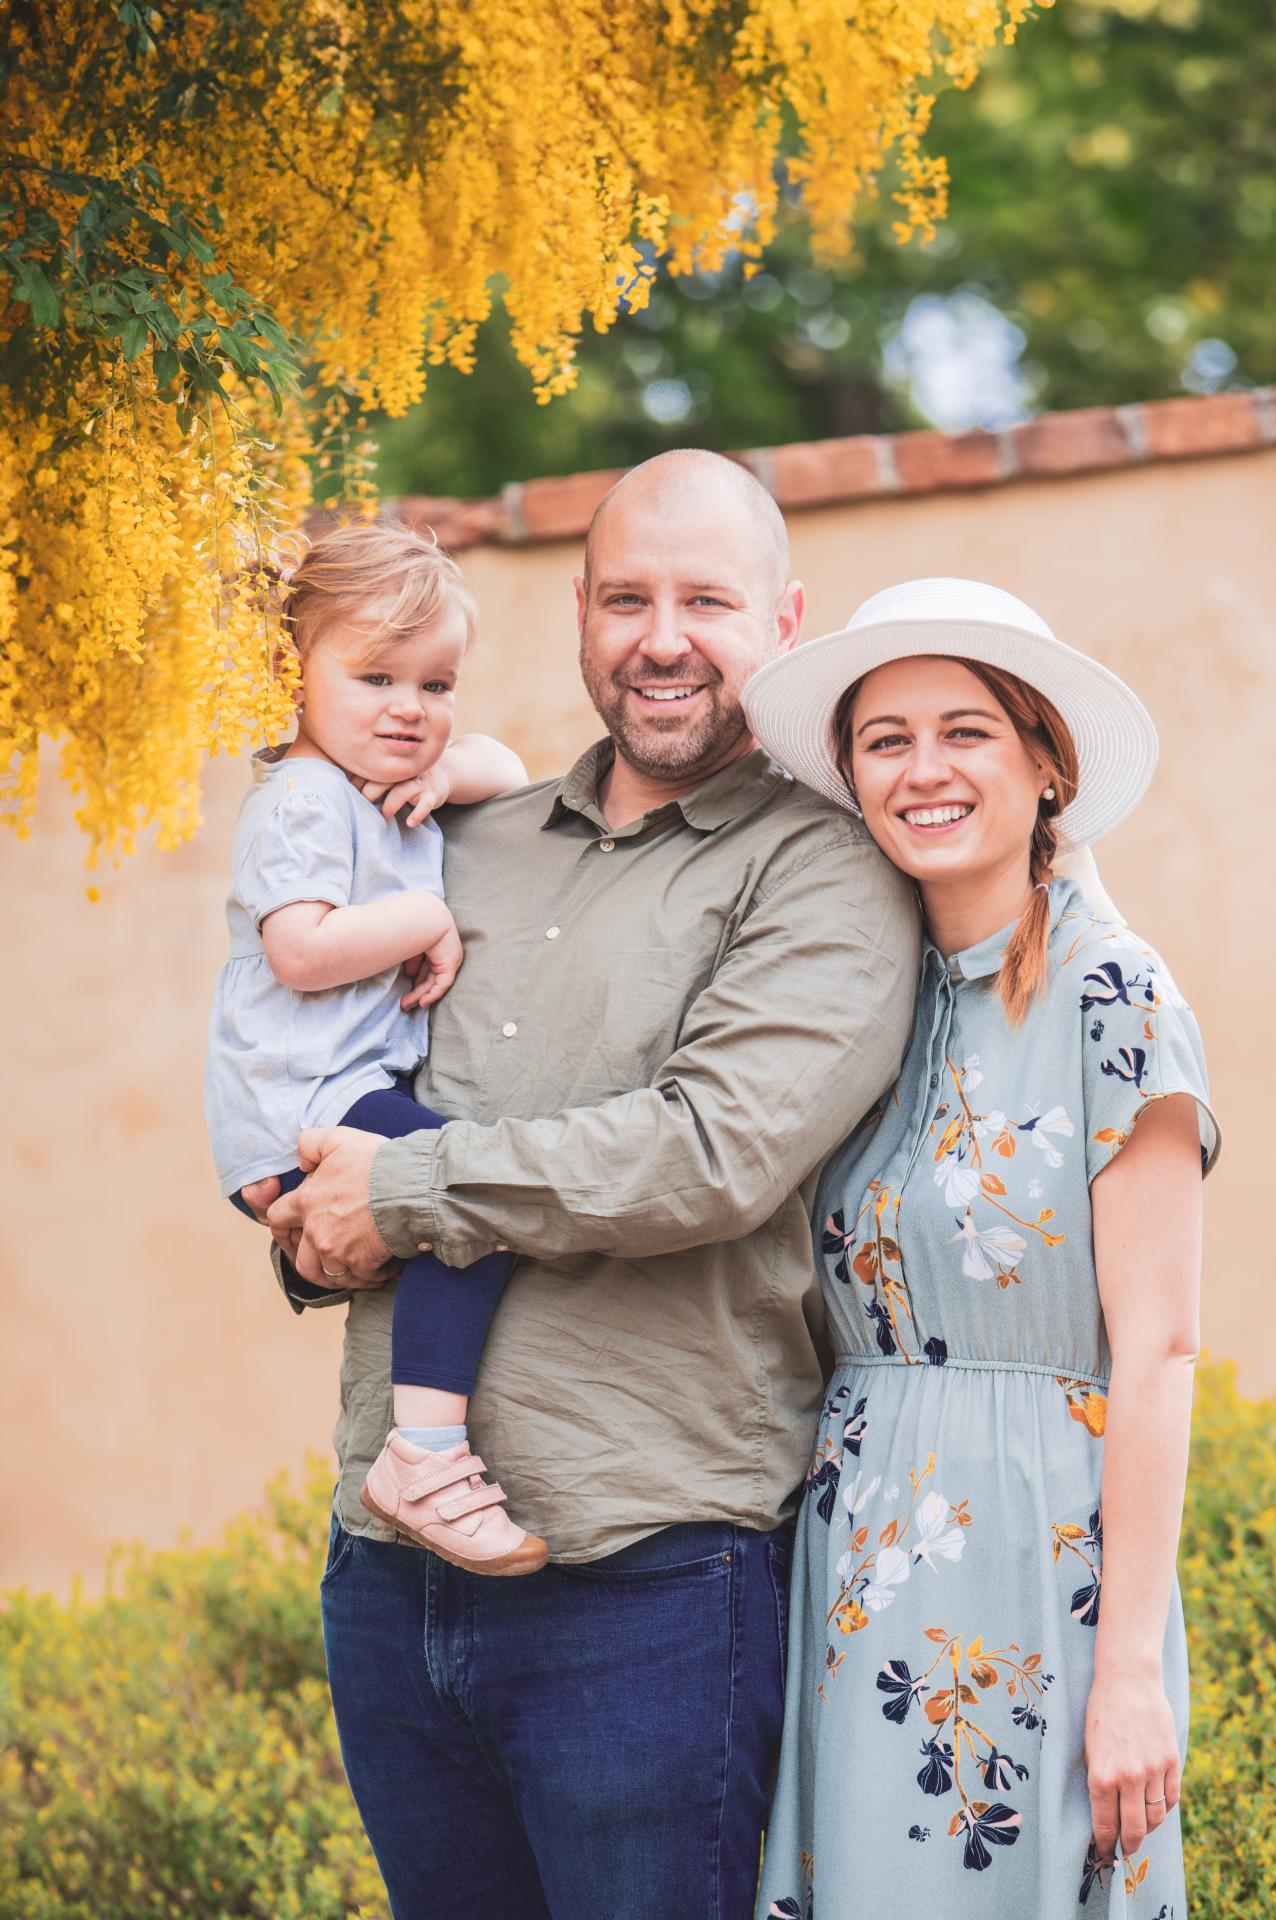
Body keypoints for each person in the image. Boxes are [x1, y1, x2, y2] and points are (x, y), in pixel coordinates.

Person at [252, 451, 924, 1920]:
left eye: (706, 602)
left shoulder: (826, 871)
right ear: (577, 612)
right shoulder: (452, 845)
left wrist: (402, 1189)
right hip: (387, 1574)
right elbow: (322, 1078)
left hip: (648, 1583)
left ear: (784, 621)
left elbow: (708, 1153)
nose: (661, 639)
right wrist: (304, 1228)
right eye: (626, 599)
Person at [742, 577, 1219, 1919]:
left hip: (1038, 1566)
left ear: (1045, 761)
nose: (923, 769)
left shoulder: (1115, 994)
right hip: (850, 1569)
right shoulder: (859, 1000)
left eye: (965, 731)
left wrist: (1128, 1671)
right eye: (884, 740)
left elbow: (1161, 1351)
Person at [206, 522, 549, 1572]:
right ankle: (422, 1460)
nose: (411, 709)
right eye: (376, 678)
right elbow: (301, 949)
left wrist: (447, 773)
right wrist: (425, 918)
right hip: (305, 1099)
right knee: (470, 1201)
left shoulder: (381, 779)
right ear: (292, 677)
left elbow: (509, 767)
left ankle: (421, 1447)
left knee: (455, 1199)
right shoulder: (305, 798)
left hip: (331, 1091)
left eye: (436, 685)